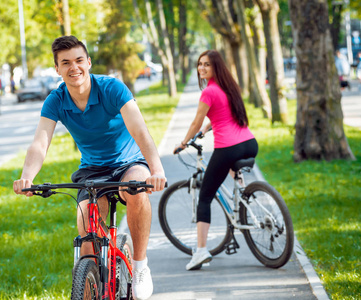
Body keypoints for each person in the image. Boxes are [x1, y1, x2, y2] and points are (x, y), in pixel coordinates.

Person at [13, 35, 166, 300]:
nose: (74, 67)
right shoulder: (56, 100)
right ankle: (95, 276)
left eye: (79, 60)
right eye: (66, 63)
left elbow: (140, 131)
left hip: (128, 163)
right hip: (93, 169)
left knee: (136, 191)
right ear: (57, 69)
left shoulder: (112, 89)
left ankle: (140, 266)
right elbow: (40, 143)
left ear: (89, 62)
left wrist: (156, 170)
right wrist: (27, 177)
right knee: (88, 239)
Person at [174, 50, 258, 271]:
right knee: (231, 169)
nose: (201, 68)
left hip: (229, 148)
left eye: (207, 65)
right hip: (249, 143)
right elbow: (223, 114)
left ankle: (200, 251)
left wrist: (184, 142)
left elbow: (195, 121)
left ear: (216, 67)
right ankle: (244, 196)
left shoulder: (209, 92)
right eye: (200, 64)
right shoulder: (230, 87)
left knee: (205, 196)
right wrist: (205, 129)